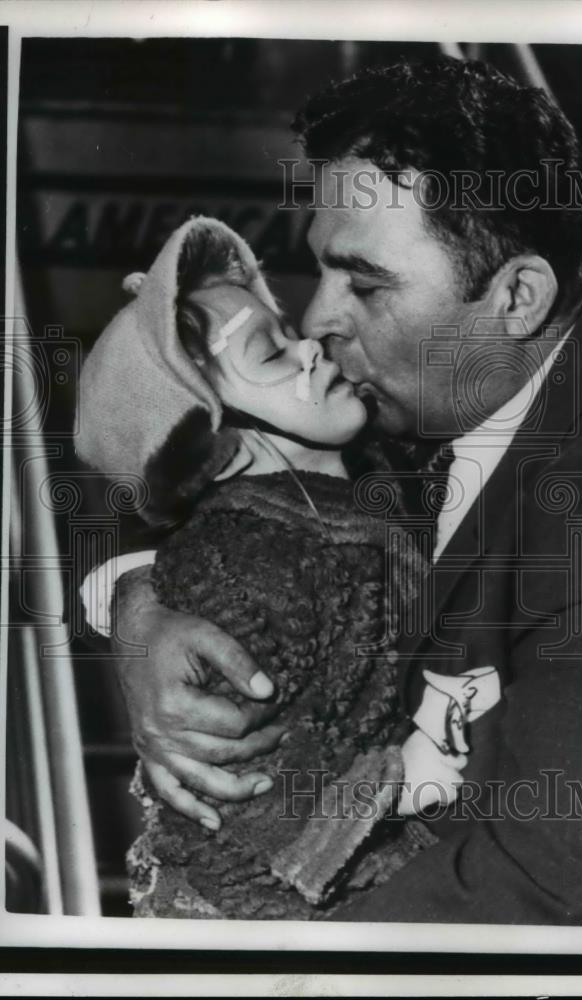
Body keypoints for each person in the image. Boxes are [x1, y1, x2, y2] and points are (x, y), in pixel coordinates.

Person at [84, 55, 582, 925]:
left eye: (364, 284)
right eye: (320, 270)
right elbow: (270, 513)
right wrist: (139, 607)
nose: (319, 320)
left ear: (516, 296)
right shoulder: (453, 375)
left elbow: (568, 884)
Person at [75, 215, 441, 918]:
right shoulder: (247, 559)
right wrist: (400, 788)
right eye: (273, 356)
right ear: (220, 450)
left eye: (285, 333)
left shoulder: (366, 497)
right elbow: (227, 792)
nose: (311, 347)